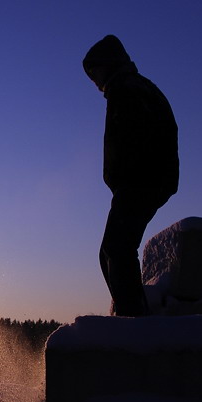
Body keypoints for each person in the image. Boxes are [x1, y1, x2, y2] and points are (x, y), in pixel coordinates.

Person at [83, 35, 179, 317]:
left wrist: (125, 177)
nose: (94, 81)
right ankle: (130, 314)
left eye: (94, 72)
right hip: (143, 181)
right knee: (111, 250)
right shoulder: (133, 87)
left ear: (107, 64)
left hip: (141, 181)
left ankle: (133, 322)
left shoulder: (127, 89)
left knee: (117, 248)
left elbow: (133, 139)